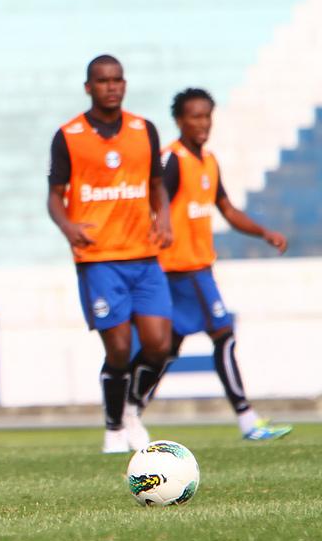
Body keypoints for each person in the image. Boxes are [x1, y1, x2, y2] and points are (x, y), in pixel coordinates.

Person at [47, 55, 174, 454]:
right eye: (103, 81)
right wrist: (68, 227)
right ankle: (114, 427)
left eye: (117, 79)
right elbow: (54, 197)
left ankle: (132, 407)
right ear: (89, 87)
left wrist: (164, 219)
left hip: (144, 255)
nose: (111, 86)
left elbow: (157, 184)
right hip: (99, 258)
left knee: (159, 345)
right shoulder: (69, 136)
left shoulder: (144, 130)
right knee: (118, 348)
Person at [156, 88, 292, 441]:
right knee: (224, 333)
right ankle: (247, 420)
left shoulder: (208, 160)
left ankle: (128, 413)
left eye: (206, 116)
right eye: (194, 117)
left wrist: (263, 232)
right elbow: (155, 205)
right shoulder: (172, 160)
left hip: (198, 267)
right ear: (179, 120)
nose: (202, 123)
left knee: (166, 348)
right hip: (182, 268)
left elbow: (227, 209)